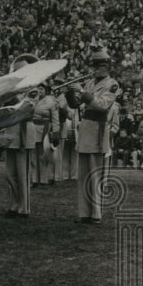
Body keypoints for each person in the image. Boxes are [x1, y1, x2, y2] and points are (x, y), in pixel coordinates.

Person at [66, 48, 120, 225]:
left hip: (98, 130)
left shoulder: (112, 84)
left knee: (95, 174)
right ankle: (84, 213)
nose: (95, 69)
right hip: (86, 129)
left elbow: (102, 105)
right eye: (94, 66)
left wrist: (81, 91)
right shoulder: (89, 83)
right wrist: (69, 92)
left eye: (98, 66)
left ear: (106, 67)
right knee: (83, 174)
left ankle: (96, 214)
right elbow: (75, 105)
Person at [4, 54, 39, 218]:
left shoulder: (34, 88)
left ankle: (24, 208)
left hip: (24, 131)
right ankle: (13, 204)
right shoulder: (12, 89)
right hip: (12, 131)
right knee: (9, 173)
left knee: (23, 173)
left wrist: (11, 94)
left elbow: (26, 106)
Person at [31, 82, 60, 187]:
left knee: (44, 154)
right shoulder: (32, 100)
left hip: (45, 129)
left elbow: (55, 119)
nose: (40, 91)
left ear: (46, 90)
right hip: (33, 128)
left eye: (42, 89)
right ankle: (34, 179)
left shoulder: (51, 101)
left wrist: (56, 132)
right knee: (33, 154)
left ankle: (45, 179)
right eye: (38, 89)